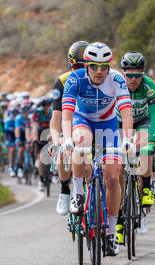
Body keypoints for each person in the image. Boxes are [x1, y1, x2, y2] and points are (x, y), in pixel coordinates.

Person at [61, 42, 135, 256]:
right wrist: (67, 138)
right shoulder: (75, 79)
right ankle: (77, 193)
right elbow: (67, 114)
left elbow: (126, 111)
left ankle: (111, 233)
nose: (99, 71)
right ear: (86, 66)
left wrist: (128, 139)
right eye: (94, 66)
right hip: (82, 120)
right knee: (81, 141)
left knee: (113, 175)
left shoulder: (117, 79)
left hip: (108, 125)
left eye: (104, 66)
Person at [115, 51, 155, 238]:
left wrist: (152, 141)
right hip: (118, 123)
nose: (133, 79)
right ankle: (116, 220)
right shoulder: (116, 83)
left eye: (137, 75)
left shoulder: (149, 86)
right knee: (116, 170)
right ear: (123, 73)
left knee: (143, 144)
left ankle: (147, 187)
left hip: (143, 121)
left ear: (143, 73)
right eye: (129, 75)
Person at [50, 40, 89, 216]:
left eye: (85, 66)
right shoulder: (63, 81)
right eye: (77, 66)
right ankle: (65, 190)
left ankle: (93, 198)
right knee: (64, 152)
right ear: (70, 66)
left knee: (89, 166)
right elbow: (56, 118)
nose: (81, 70)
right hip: (70, 125)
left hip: (90, 124)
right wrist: (57, 139)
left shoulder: (98, 79)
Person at [31, 97, 52, 191]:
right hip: (40, 133)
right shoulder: (37, 112)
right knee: (41, 157)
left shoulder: (52, 112)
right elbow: (34, 126)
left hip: (50, 132)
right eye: (44, 106)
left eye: (47, 106)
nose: (46, 108)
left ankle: (53, 171)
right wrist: (35, 138)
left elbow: (55, 125)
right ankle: (41, 179)